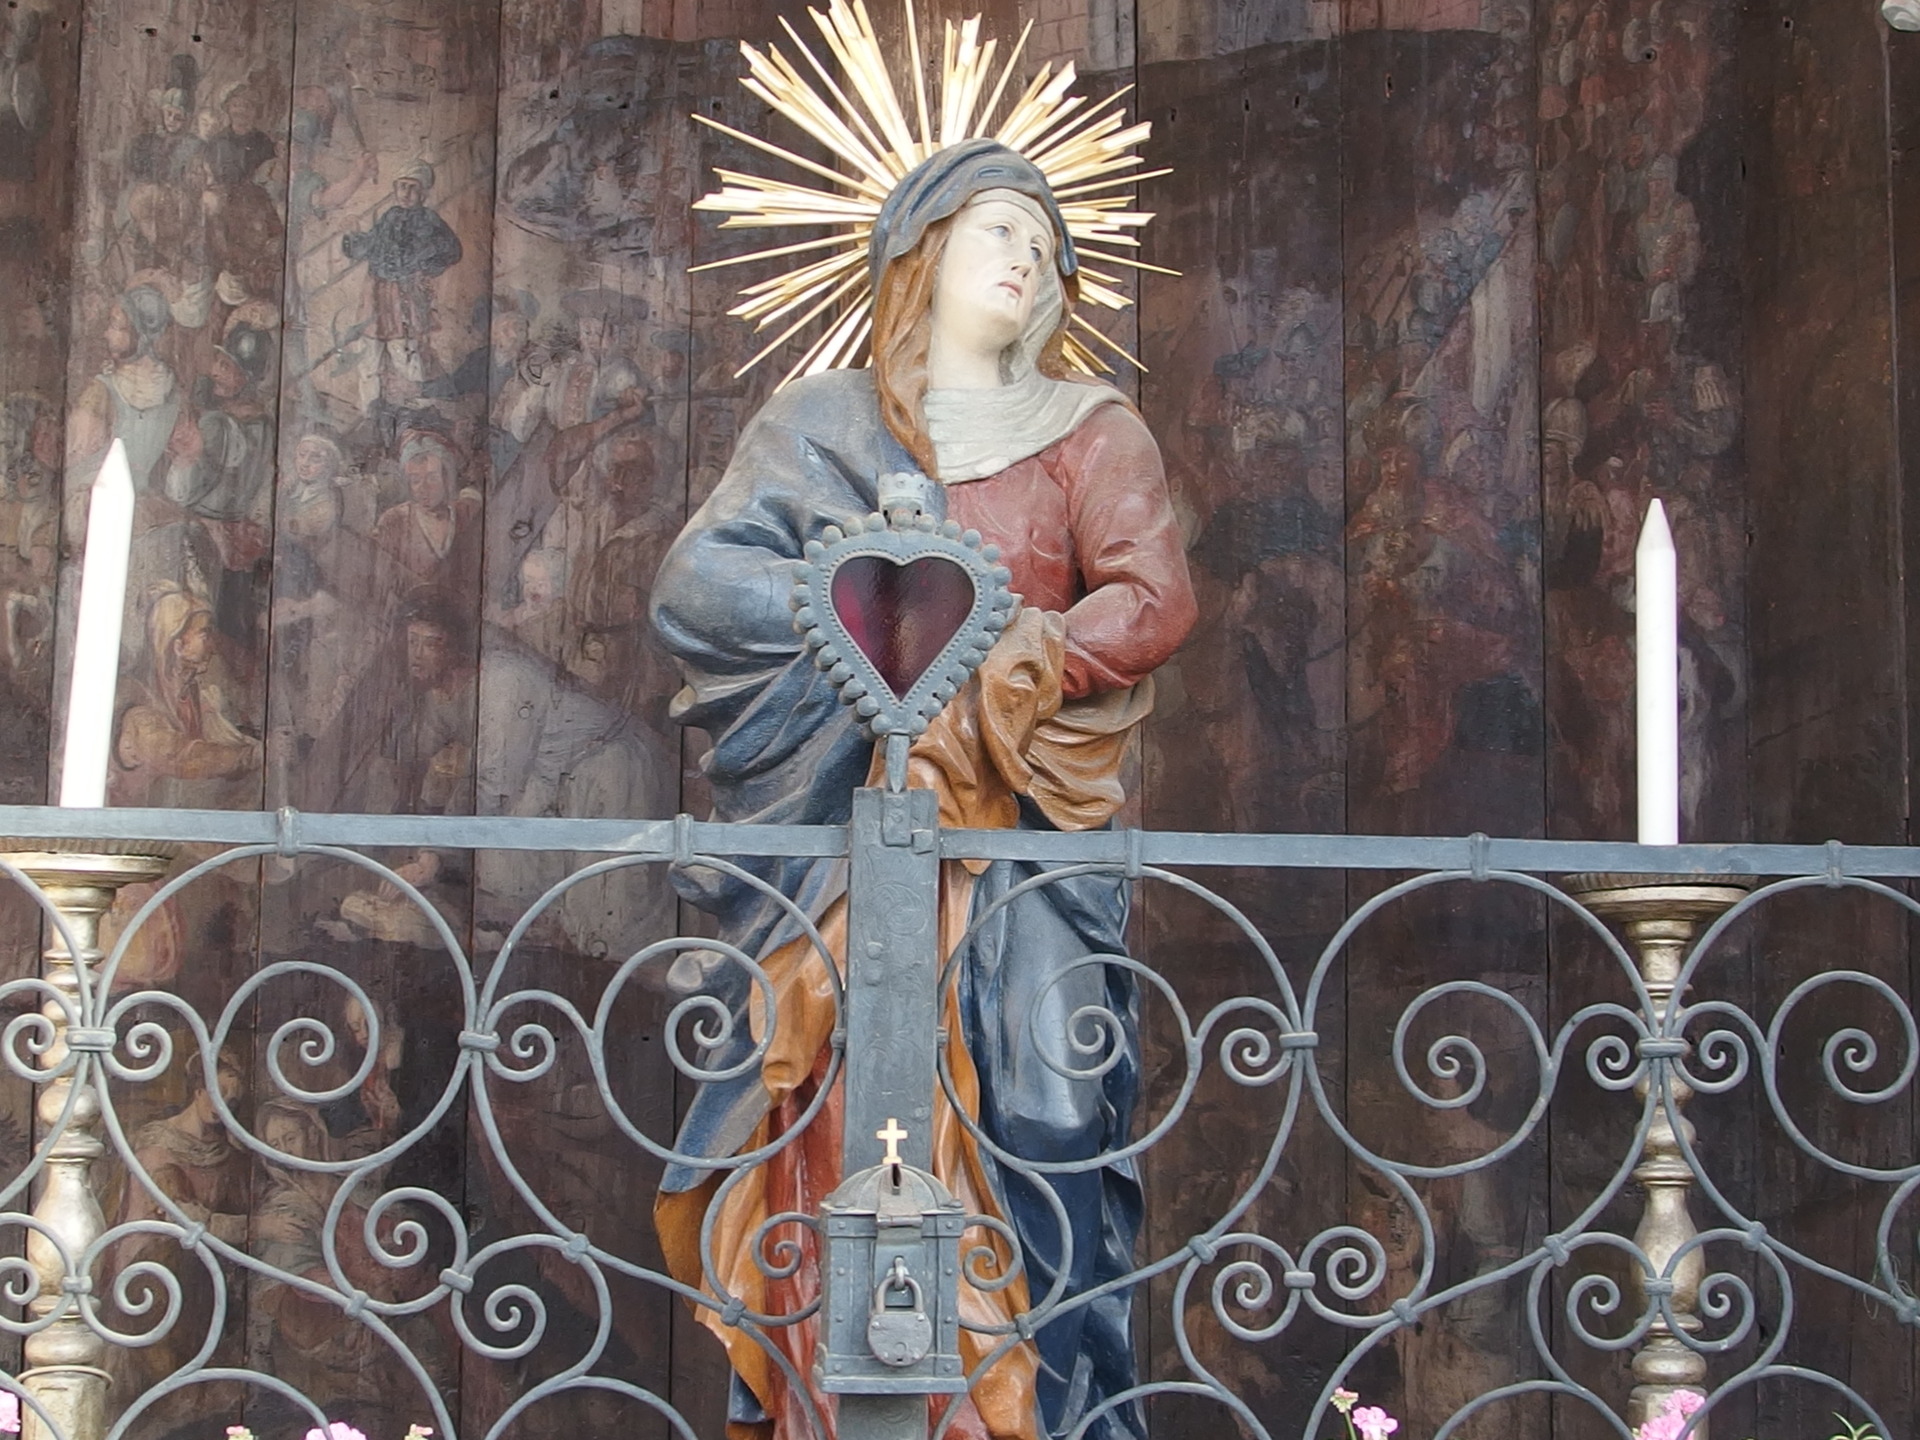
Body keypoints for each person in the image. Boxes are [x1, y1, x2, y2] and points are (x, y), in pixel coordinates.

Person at [651, 140, 1196, 1440]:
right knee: (838, 1118)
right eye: (1000, 229)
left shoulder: (1090, 432)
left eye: (1045, 245)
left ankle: (1037, 1415)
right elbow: (698, 586)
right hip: (847, 844)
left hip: (1027, 835)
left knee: (1047, 1113)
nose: (1027, 259)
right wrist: (855, 617)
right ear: (923, 250)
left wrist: (1010, 661)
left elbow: (1152, 597)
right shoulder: (822, 425)